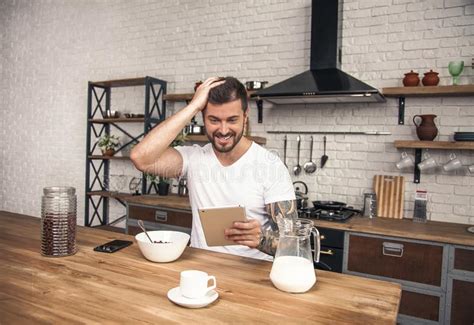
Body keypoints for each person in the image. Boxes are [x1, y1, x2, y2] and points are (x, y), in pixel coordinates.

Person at [131, 77, 297, 260]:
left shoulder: (269, 165)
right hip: (200, 273)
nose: (223, 130)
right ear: (202, 117)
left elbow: (295, 245)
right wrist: (193, 106)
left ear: (246, 115)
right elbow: (141, 158)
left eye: (232, 120)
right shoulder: (193, 158)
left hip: (251, 278)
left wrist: (262, 238)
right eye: (214, 120)